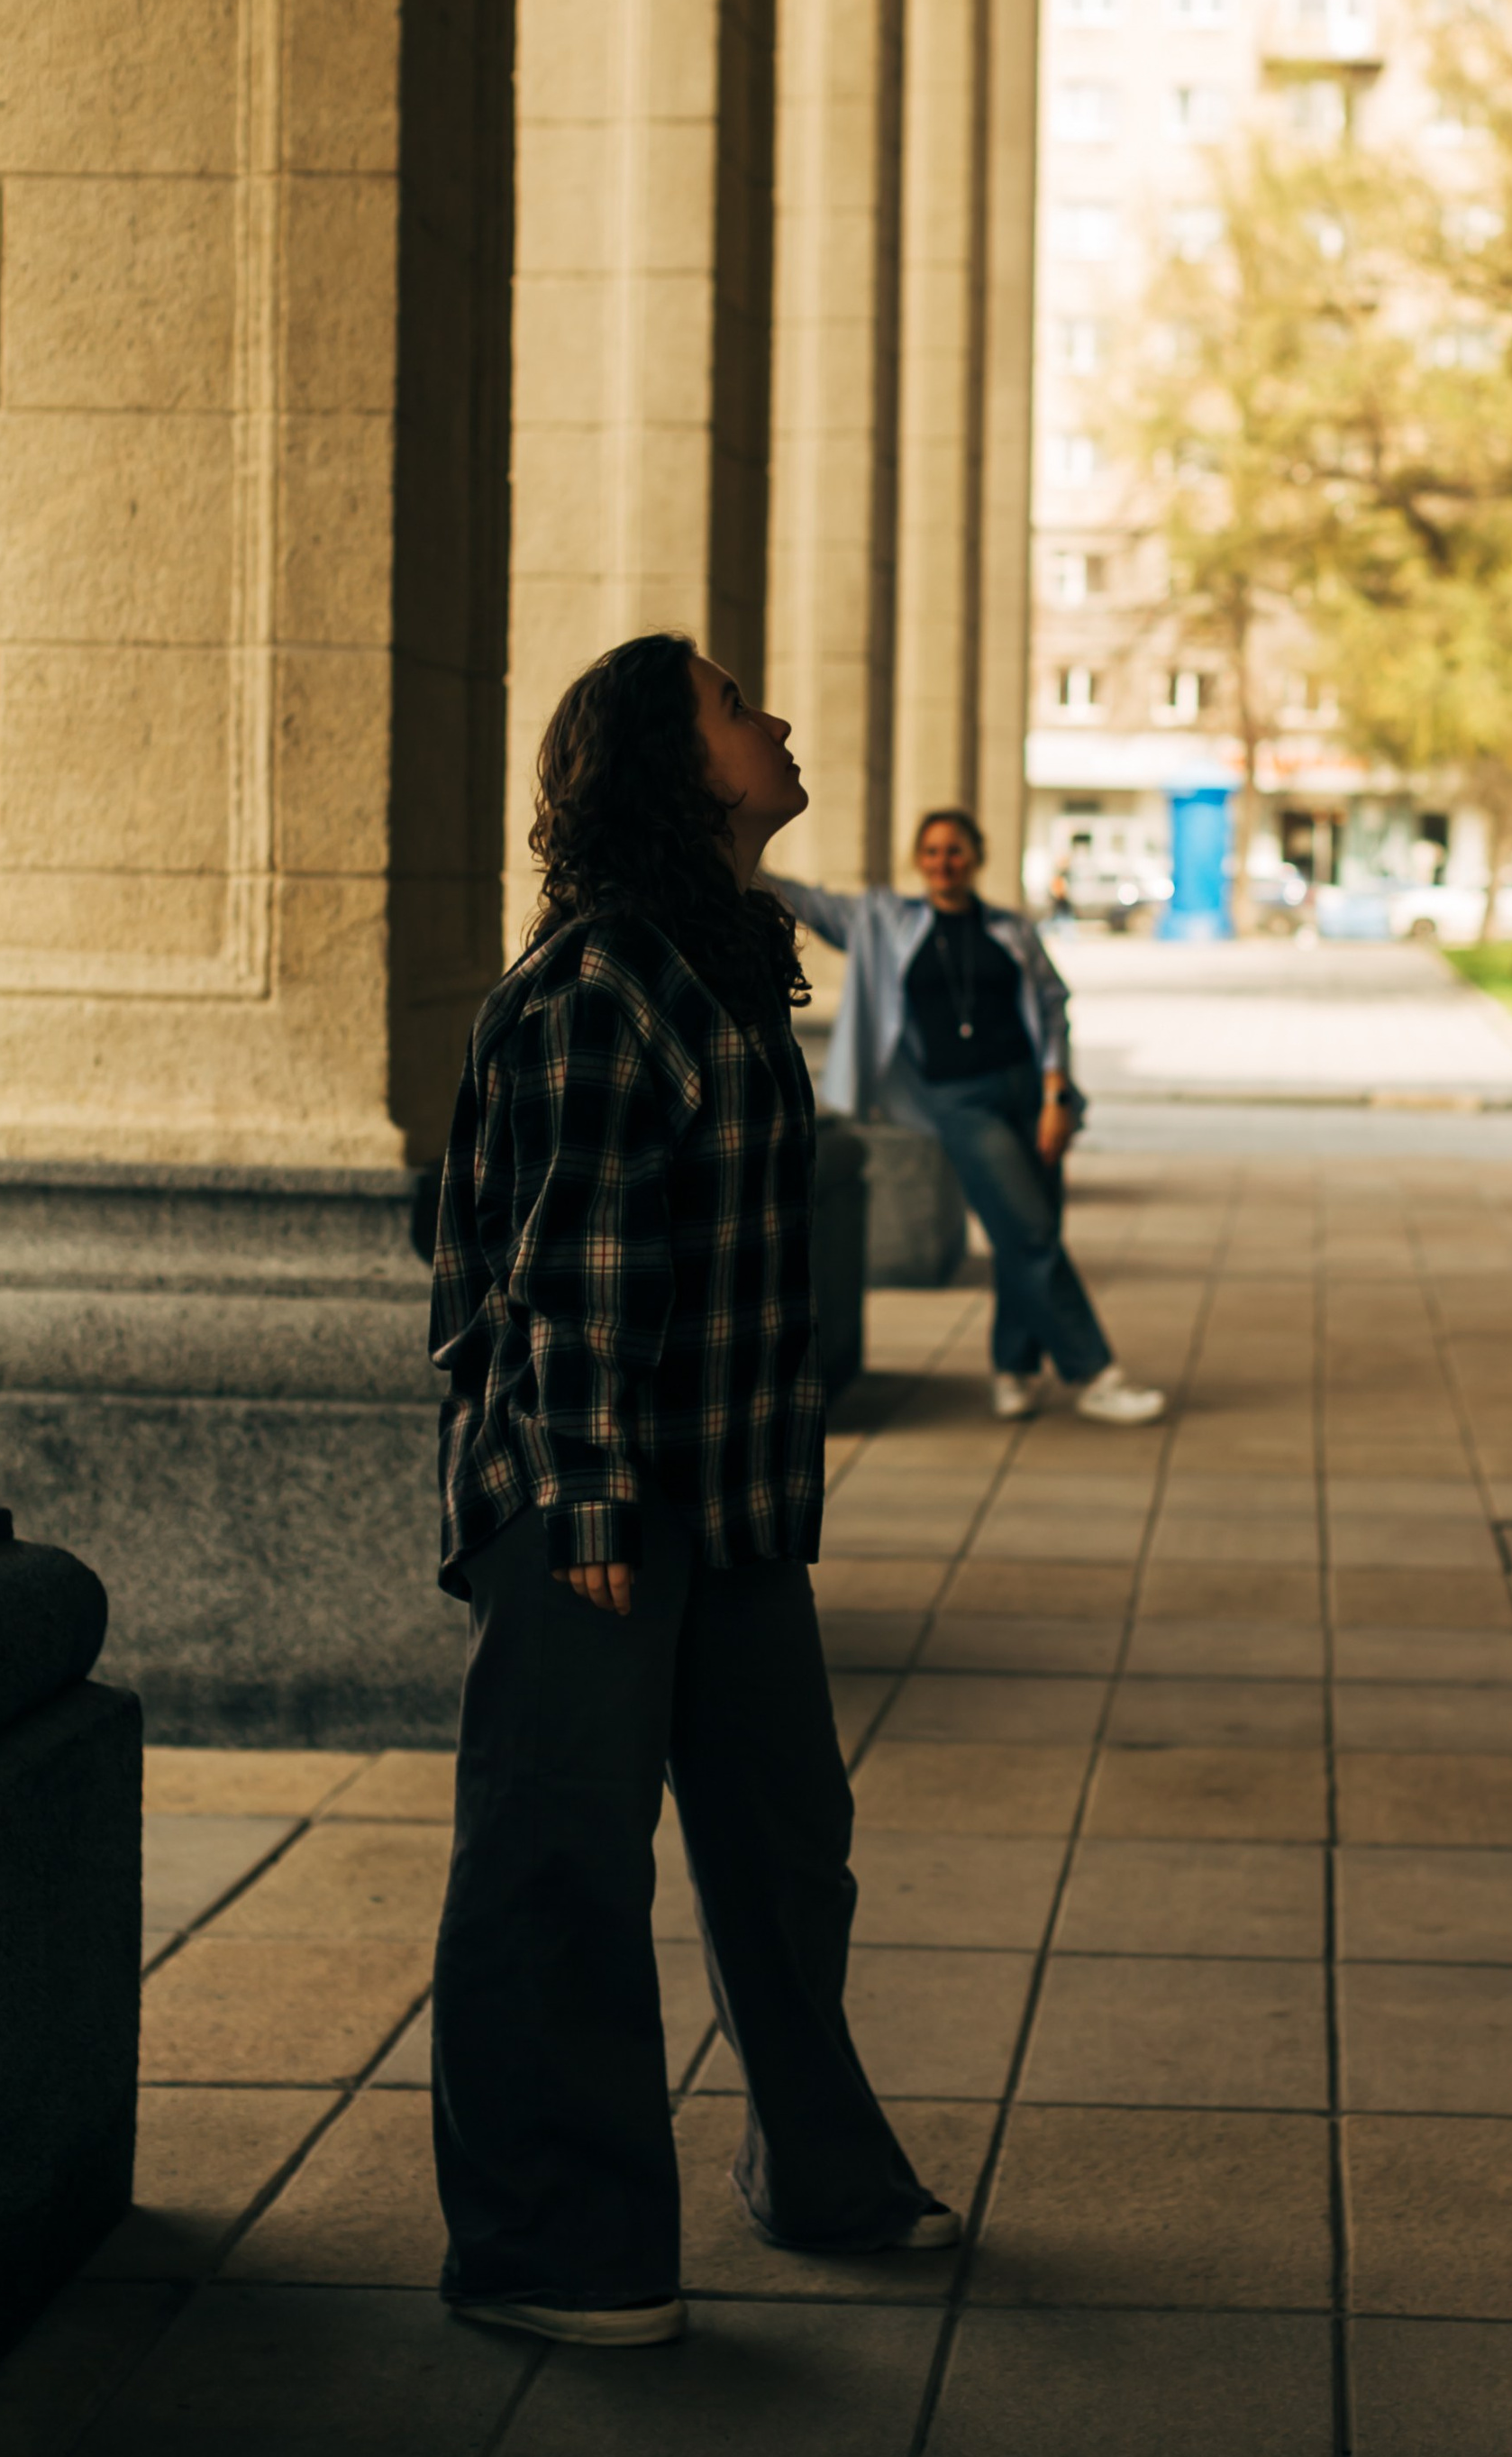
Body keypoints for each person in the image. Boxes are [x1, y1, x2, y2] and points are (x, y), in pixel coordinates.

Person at [425, 635, 954, 2350]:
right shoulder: (601, 987)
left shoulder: (717, 968)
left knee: (788, 1851)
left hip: (717, 1509)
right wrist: (583, 1506)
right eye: (735, 704)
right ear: (669, 763)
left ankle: (821, 2172)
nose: (777, 717)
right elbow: (564, 1282)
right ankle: (551, 2249)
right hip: (594, 1509)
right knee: (559, 1871)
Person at [765, 813, 1165, 1425]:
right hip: (960, 1101)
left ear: (976, 857)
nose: (942, 861)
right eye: (931, 851)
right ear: (917, 860)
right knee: (1028, 1230)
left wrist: (1057, 1097)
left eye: (955, 851)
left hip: (1031, 1094)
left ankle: (1014, 1367)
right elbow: (806, 901)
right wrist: (734, 848)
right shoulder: (886, 921)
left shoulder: (1010, 928)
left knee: (1024, 1231)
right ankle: (1094, 1374)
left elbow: (1054, 1008)